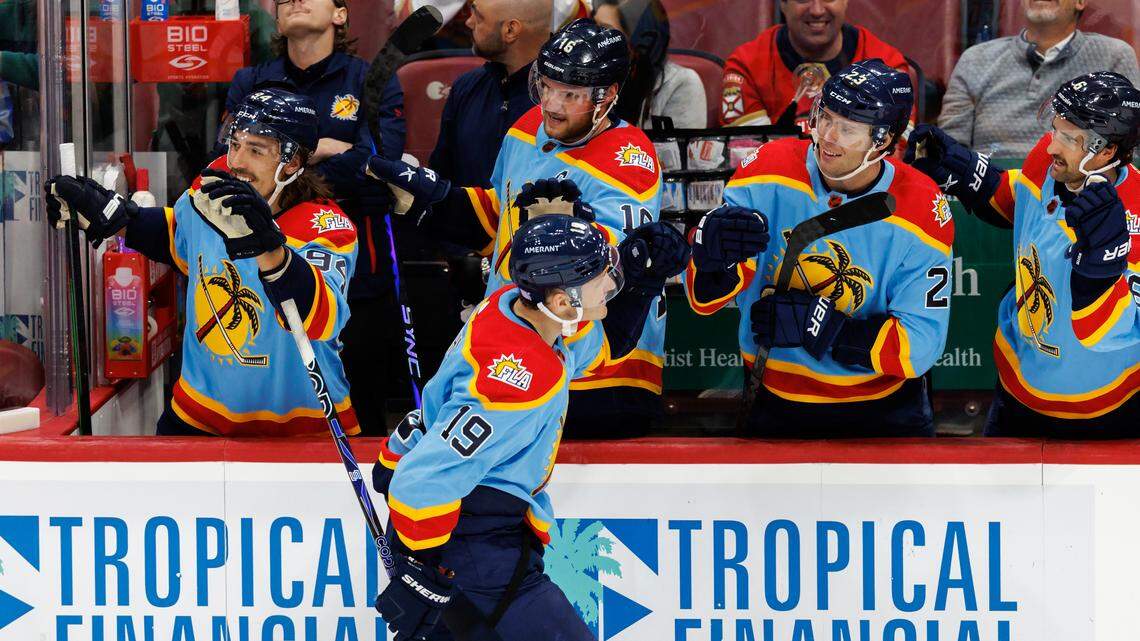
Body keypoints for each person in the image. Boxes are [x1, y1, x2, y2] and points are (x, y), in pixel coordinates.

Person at [371, 209, 688, 641]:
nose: (611, 279)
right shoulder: (519, 380)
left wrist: (642, 279)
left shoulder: (507, 309)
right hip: (472, 545)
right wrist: (420, 569)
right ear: (561, 301)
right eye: (600, 274)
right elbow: (422, 484)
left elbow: (592, 347)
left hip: (482, 534)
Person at [365, 20, 671, 438]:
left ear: (608, 97)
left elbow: (607, 279)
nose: (553, 104)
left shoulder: (628, 160)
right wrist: (428, 202)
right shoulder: (527, 129)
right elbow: (500, 218)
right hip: (524, 359)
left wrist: (551, 238)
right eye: (546, 86)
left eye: (571, 94)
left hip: (601, 377)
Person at [44, 88, 358, 436]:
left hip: (303, 430)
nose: (237, 160)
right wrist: (117, 216)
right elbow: (180, 237)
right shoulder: (213, 187)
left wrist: (270, 248)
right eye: (236, 143)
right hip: (196, 417)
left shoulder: (327, 228)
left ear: (293, 163)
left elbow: (320, 321)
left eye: (256, 150)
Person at [686, 59, 954, 437]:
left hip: (884, 417)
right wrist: (712, 260)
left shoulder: (923, 208)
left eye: (848, 128)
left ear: (885, 141)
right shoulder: (768, 170)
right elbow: (705, 300)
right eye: (825, 117)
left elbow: (919, 348)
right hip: (772, 402)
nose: (828, 136)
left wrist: (827, 328)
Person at [907, 72, 1140, 437]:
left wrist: (1102, 265)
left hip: (1108, 410)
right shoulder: (1047, 166)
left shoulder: (1135, 216)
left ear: (1107, 150)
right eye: (1054, 130)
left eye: (1068, 138)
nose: (1051, 147)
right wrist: (960, 168)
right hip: (1018, 393)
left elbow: (1115, 334)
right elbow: (1014, 199)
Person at [224, 0, 406, 434]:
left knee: (359, 415)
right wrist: (330, 150)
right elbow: (231, 168)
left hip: (359, 281)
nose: (295, 1)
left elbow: (380, 170)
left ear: (341, 15)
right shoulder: (250, 81)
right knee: (266, 420)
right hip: (258, 275)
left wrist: (284, 167)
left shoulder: (370, 80)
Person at [938, 0, 1140, 159]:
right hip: (987, 195)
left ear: (1080, 1)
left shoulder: (1113, 56)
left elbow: (1131, 147)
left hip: (1078, 195)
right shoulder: (976, 59)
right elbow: (949, 147)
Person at [719, 0, 913, 131]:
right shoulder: (746, 67)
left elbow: (893, 154)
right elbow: (749, 156)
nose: (817, 10)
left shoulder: (887, 67)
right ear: (783, 5)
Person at [428, 0, 551, 186]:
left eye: (478, 17)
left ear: (510, 30)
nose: (468, 23)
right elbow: (439, 181)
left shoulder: (564, 104)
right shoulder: (466, 87)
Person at [592, 0, 707, 129]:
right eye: (595, 27)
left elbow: (679, 149)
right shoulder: (593, 79)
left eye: (606, 30)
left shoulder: (681, 83)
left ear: (639, 39)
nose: (595, 38)